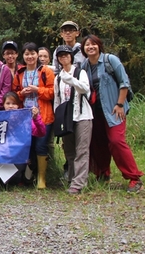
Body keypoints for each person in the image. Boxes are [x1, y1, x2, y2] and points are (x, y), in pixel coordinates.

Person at [81, 35, 144, 193]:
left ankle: (134, 178)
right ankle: (103, 173)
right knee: (98, 143)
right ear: (83, 48)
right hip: (95, 112)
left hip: (114, 109)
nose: (90, 47)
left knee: (116, 141)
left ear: (99, 46)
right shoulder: (84, 66)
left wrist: (120, 104)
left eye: (93, 44)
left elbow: (124, 82)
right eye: (87, 45)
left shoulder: (110, 60)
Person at [12, 42, 55, 189]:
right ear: (22, 56)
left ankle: (41, 178)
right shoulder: (20, 73)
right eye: (26, 54)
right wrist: (21, 94)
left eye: (32, 53)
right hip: (25, 117)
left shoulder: (46, 71)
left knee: (41, 146)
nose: (30, 57)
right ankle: (27, 177)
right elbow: (14, 95)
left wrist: (38, 89)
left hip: (43, 115)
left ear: (37, 55)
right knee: (28, 146)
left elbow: (52, 92)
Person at [53, 45, 92, 195]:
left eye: (66, 55)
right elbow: (57, 99)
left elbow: (85, 89)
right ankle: (72, 177)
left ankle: (79, 183)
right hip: (66, 117)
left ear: (71, 56)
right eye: (60, 56)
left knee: (82, 150)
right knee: (69, 150)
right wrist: (58, 118)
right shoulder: (58, 78)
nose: (63, 58)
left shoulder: (80, 72)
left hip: (83, 116)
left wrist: (71, 80)